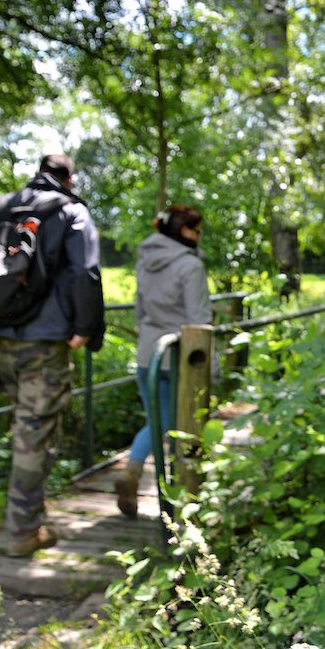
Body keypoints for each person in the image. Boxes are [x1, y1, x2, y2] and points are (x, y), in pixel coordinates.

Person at [0, 153, 106, 557]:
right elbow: (85, 273)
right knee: (34, 430)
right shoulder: (71, 211)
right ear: (69, 179)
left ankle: (28, 517)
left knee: (25, 426)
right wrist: (85, 329)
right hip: (46, 339)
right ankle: (23, 532)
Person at [115, 204, 210, 518]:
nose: (199, 237)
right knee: (178, 424)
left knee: (158, 421)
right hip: (182, 356)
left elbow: (139, 310)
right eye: (197, 231)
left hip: (149, 354)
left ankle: (134, 470)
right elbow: (198, 320)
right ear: (184, 231)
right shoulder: (190, 266)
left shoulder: (146, 261)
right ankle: (182, 499)